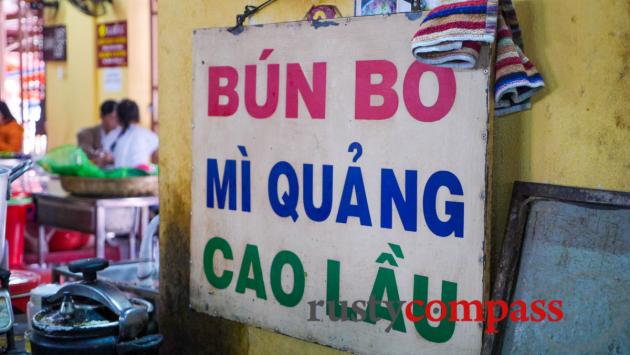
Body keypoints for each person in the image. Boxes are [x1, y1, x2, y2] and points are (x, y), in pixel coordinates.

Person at [110, 99, 158, 168]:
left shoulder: (113, 135)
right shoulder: (146, 134)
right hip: (140, 175)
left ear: (118, 117)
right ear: (137, 116)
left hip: (119, 175)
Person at [77, 100, 121, 166]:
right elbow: (85, 152)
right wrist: (102, 155)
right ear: (101, 116)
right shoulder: (86, 134)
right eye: (112, 117)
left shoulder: (122, 135)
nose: (116, 121)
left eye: (118, 117)